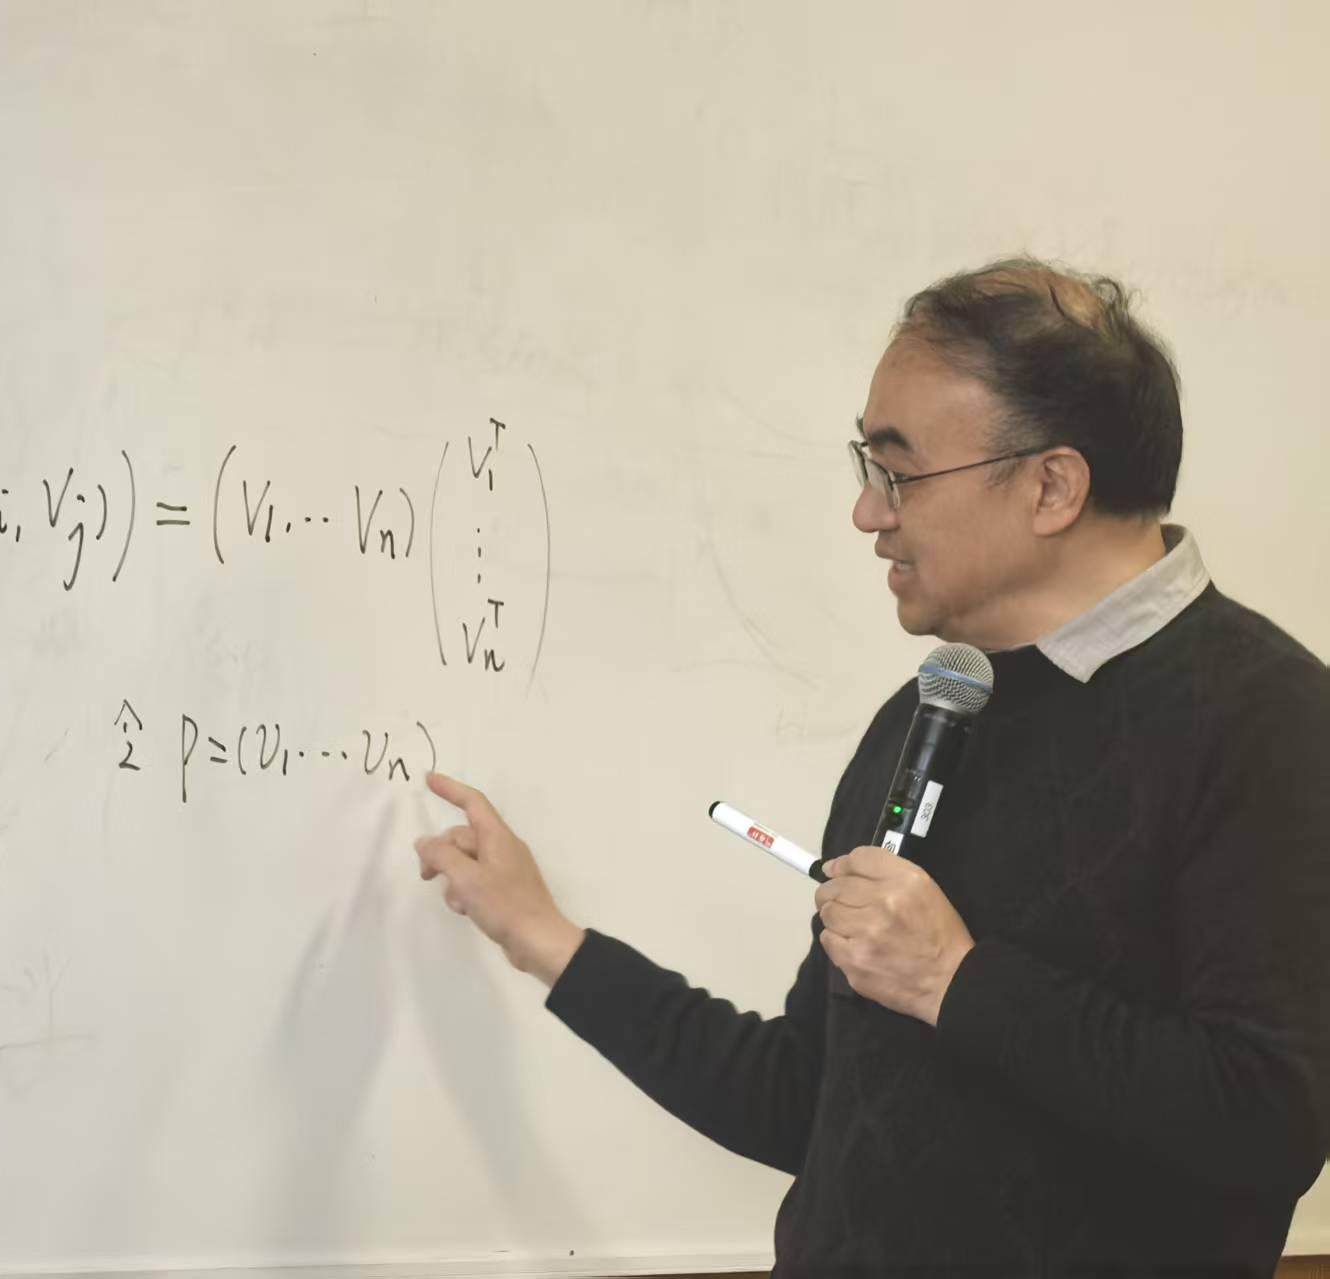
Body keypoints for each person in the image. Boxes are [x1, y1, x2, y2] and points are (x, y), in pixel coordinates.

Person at [413, 258, 1330, 1276]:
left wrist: (955, 979)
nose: (866, 512)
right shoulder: (931, 713)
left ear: (1051, 485)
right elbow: (805, 1100)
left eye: (897, 472)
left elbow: (1270, 1119)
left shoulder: (1268, 719)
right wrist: (540, 935)